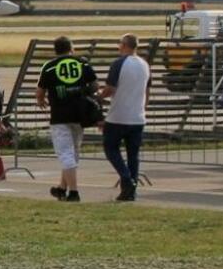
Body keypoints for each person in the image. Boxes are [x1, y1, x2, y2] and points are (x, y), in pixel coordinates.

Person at [37, 36, 100, 202]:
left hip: (59, 115)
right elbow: (95, 85)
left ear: (55, 50)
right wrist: (81, 92)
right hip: (80, 114)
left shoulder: (49, 67)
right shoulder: (82, 63)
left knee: (65, 154)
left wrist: (42, 101)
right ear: (71, 48)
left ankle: (74, 192)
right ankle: (61, 188)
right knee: (73, 152)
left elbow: (40, 92)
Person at [101, 34, 151, 201]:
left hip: (118, 115)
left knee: (110, 148)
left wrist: (98, 97)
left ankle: (126, 179)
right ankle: (131, 191)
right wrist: (143, 107)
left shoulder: (119, 63)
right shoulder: (144, 64)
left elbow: (110, 89)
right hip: (137, 117)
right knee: (133, 155)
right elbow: (147, 90)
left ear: (124, 45)